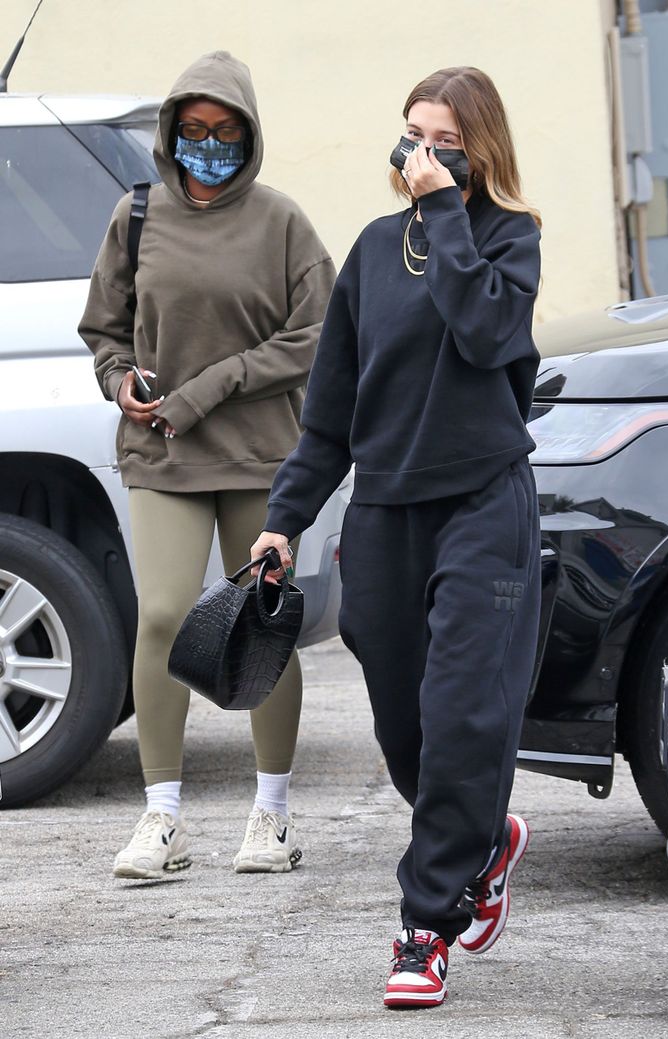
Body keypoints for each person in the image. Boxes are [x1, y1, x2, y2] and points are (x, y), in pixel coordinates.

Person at [250, 66, 542, 1008]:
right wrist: (285, 520)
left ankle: (426, 926)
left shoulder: (508, 239)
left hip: (481, 505)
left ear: (478, 148)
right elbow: (330, 412)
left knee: (464, 714)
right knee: (405, 729)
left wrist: (449, 208)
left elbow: (485, 329)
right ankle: (485, 838)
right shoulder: (374, 253)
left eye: (443, 137)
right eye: (411, 133)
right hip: (383, 513)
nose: (418, 151)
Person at [79, 51, 335, 880]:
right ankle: (163, 820)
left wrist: (213, 384)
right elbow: (105, 331)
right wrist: (122, 383)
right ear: (171, 135)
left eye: (226, 132)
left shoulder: (282, 222)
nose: (209, 146)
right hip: (163, 451)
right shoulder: (138, 214)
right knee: (160, 617)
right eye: (193, 131)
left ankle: (272, 817)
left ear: (250, 135)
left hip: (263, 452)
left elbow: (317, 337)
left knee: (262, 618)